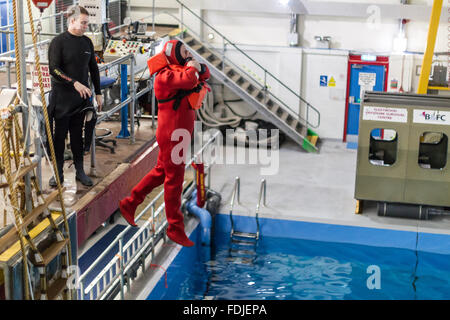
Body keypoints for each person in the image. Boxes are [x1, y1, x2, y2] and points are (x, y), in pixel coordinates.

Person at [119, 40, 210, 247]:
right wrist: (192, 68)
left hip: (180, 133)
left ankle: (130, 203)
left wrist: (196, 66)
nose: (188, 55)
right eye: (184, 51)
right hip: (172, 134)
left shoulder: (179, 69)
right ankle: (175, 228)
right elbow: (188, 80)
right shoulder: (165, 76)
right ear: (174, 53)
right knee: (174, 179)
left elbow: (205, 73)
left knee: (162, 171)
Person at [47, 5, 102, 188]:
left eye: (87, 23)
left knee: (77, 136)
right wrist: (74, 83)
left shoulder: (87, 42)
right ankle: (58, 173)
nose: (86, 26)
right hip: (62, 98)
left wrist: (99, 93)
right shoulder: (58, 42)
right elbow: (54, 69)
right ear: (72, 21)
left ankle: (80, 171)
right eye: (83, 23)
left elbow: (93, 69)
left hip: (80, 100)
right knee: (59, 137)